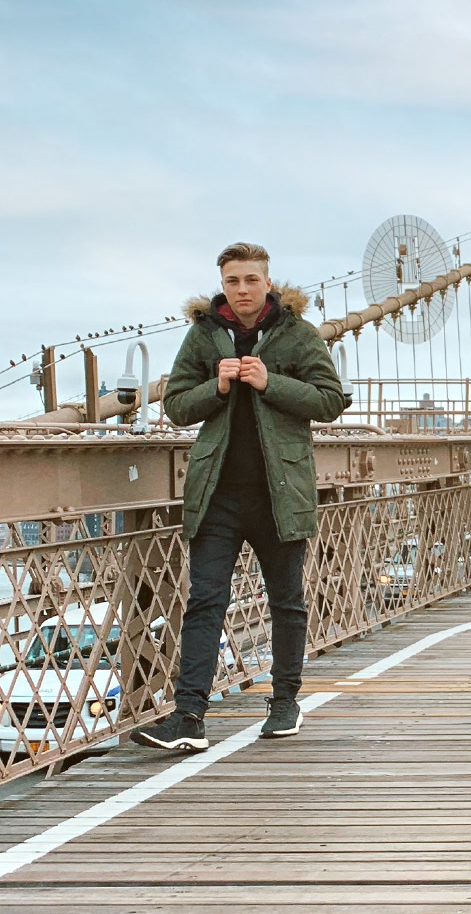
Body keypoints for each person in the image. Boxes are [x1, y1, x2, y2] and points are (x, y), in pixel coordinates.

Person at [133, 242, 346, 753]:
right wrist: (218, 389)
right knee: (205, 602)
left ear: (267, 282)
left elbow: (331, 401)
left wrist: (273, 383)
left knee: (286, 603)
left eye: (251, 280)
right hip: (217, 494)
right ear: (222, 283)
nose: (243, 289)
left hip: (280, 493)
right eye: (233, 281)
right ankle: (188, 718)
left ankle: (284, 703)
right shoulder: (204, 333)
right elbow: (179, 406)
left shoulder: (298, 334)